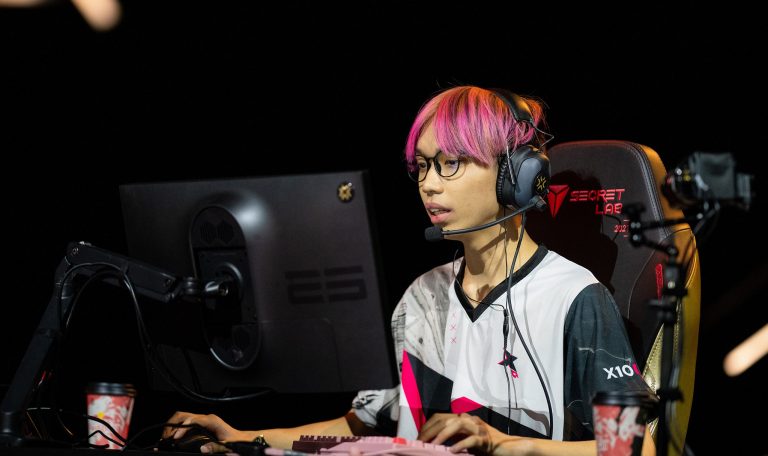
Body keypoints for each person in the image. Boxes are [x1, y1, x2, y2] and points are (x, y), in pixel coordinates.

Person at [163, 85, 656, 455]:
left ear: (516, 176)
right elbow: (361, 428)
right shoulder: (421, 295)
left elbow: (635, 448)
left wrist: (504, 444)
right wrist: (242, 436)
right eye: (422, 166)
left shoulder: (574, 297)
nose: (429, 185)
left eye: (451, 163)